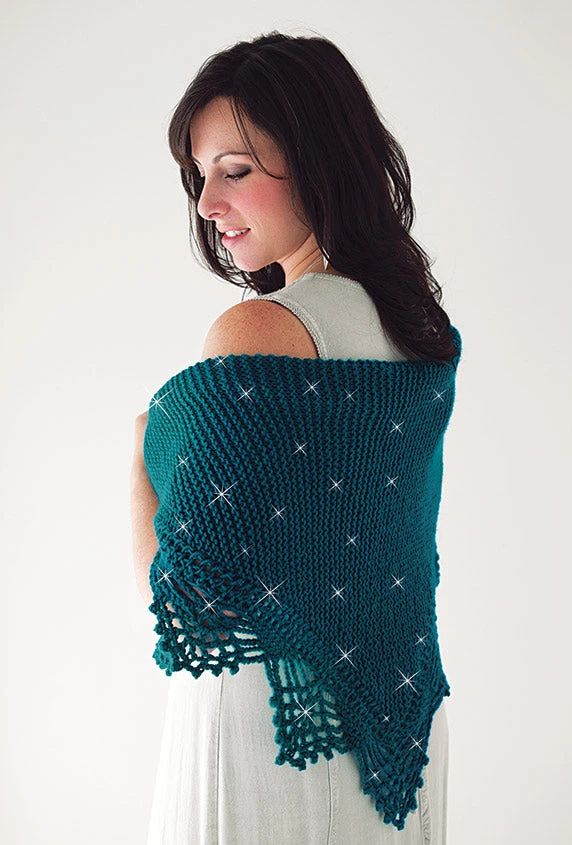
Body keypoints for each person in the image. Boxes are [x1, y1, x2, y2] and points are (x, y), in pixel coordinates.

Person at [131, 30, 459, 844]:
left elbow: (191, 611)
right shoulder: (418, 332)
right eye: (199, 176)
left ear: (317, 162)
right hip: (403, 711)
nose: (207, 204)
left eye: (236, 170)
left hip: (265, 732)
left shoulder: (260, 330)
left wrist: (142, 454)